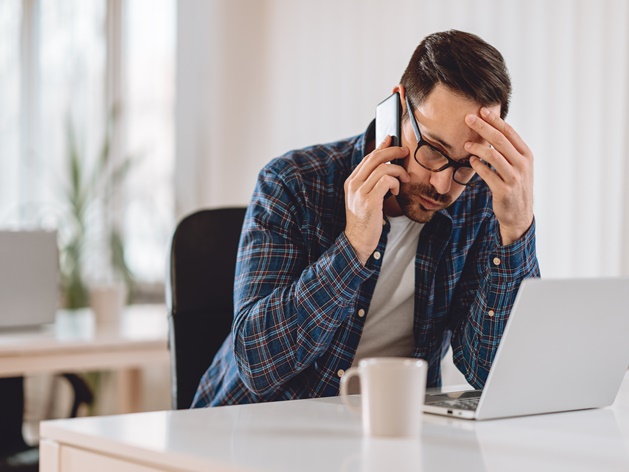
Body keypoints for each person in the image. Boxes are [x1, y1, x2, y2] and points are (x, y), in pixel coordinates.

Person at [192, 29, 540, 408]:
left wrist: (515, 230)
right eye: (433, 151)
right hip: (249, 429)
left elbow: (490, 371)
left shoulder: (477, 203)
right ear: (397, 107)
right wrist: (354, 245)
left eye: (465, 163)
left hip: (388, 431)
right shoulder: (293, 183)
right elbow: (256, 365)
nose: (443, 184)